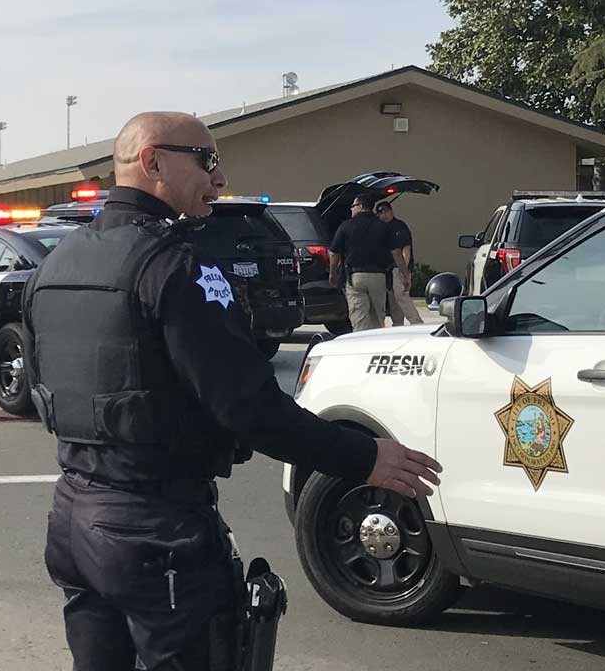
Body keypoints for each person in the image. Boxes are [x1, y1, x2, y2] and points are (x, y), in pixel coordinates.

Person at [23, 111, 443, 671]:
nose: (219, 180)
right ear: (152, 161)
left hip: (73, 519)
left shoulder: (56, 263)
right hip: (155, 529)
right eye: (207, 161)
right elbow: (248, 407)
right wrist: (363, 457)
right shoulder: (175, 265)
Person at [328, 192, 403, 332]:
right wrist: (404, 272)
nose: (351, 209)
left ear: (361, 206)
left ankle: (360, 344)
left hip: (355, 277)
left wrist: (332, 273)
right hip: (378, 277)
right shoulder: (383, 226)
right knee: (377, 317)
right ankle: (375, 344)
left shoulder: (346, 226)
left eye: (353, 206)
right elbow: (396, 253)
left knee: (359, 317)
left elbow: (334, 253)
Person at [376, 201, 422, 326]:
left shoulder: (399, 227)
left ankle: (417, 323)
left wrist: (403, 271)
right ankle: (397, 325)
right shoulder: (383, 228)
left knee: (401, 297)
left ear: (387, 211)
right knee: (394, 302)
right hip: (388, 270)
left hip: (399, 268)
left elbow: (405, 250)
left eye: (381, 213)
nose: (380, 217)